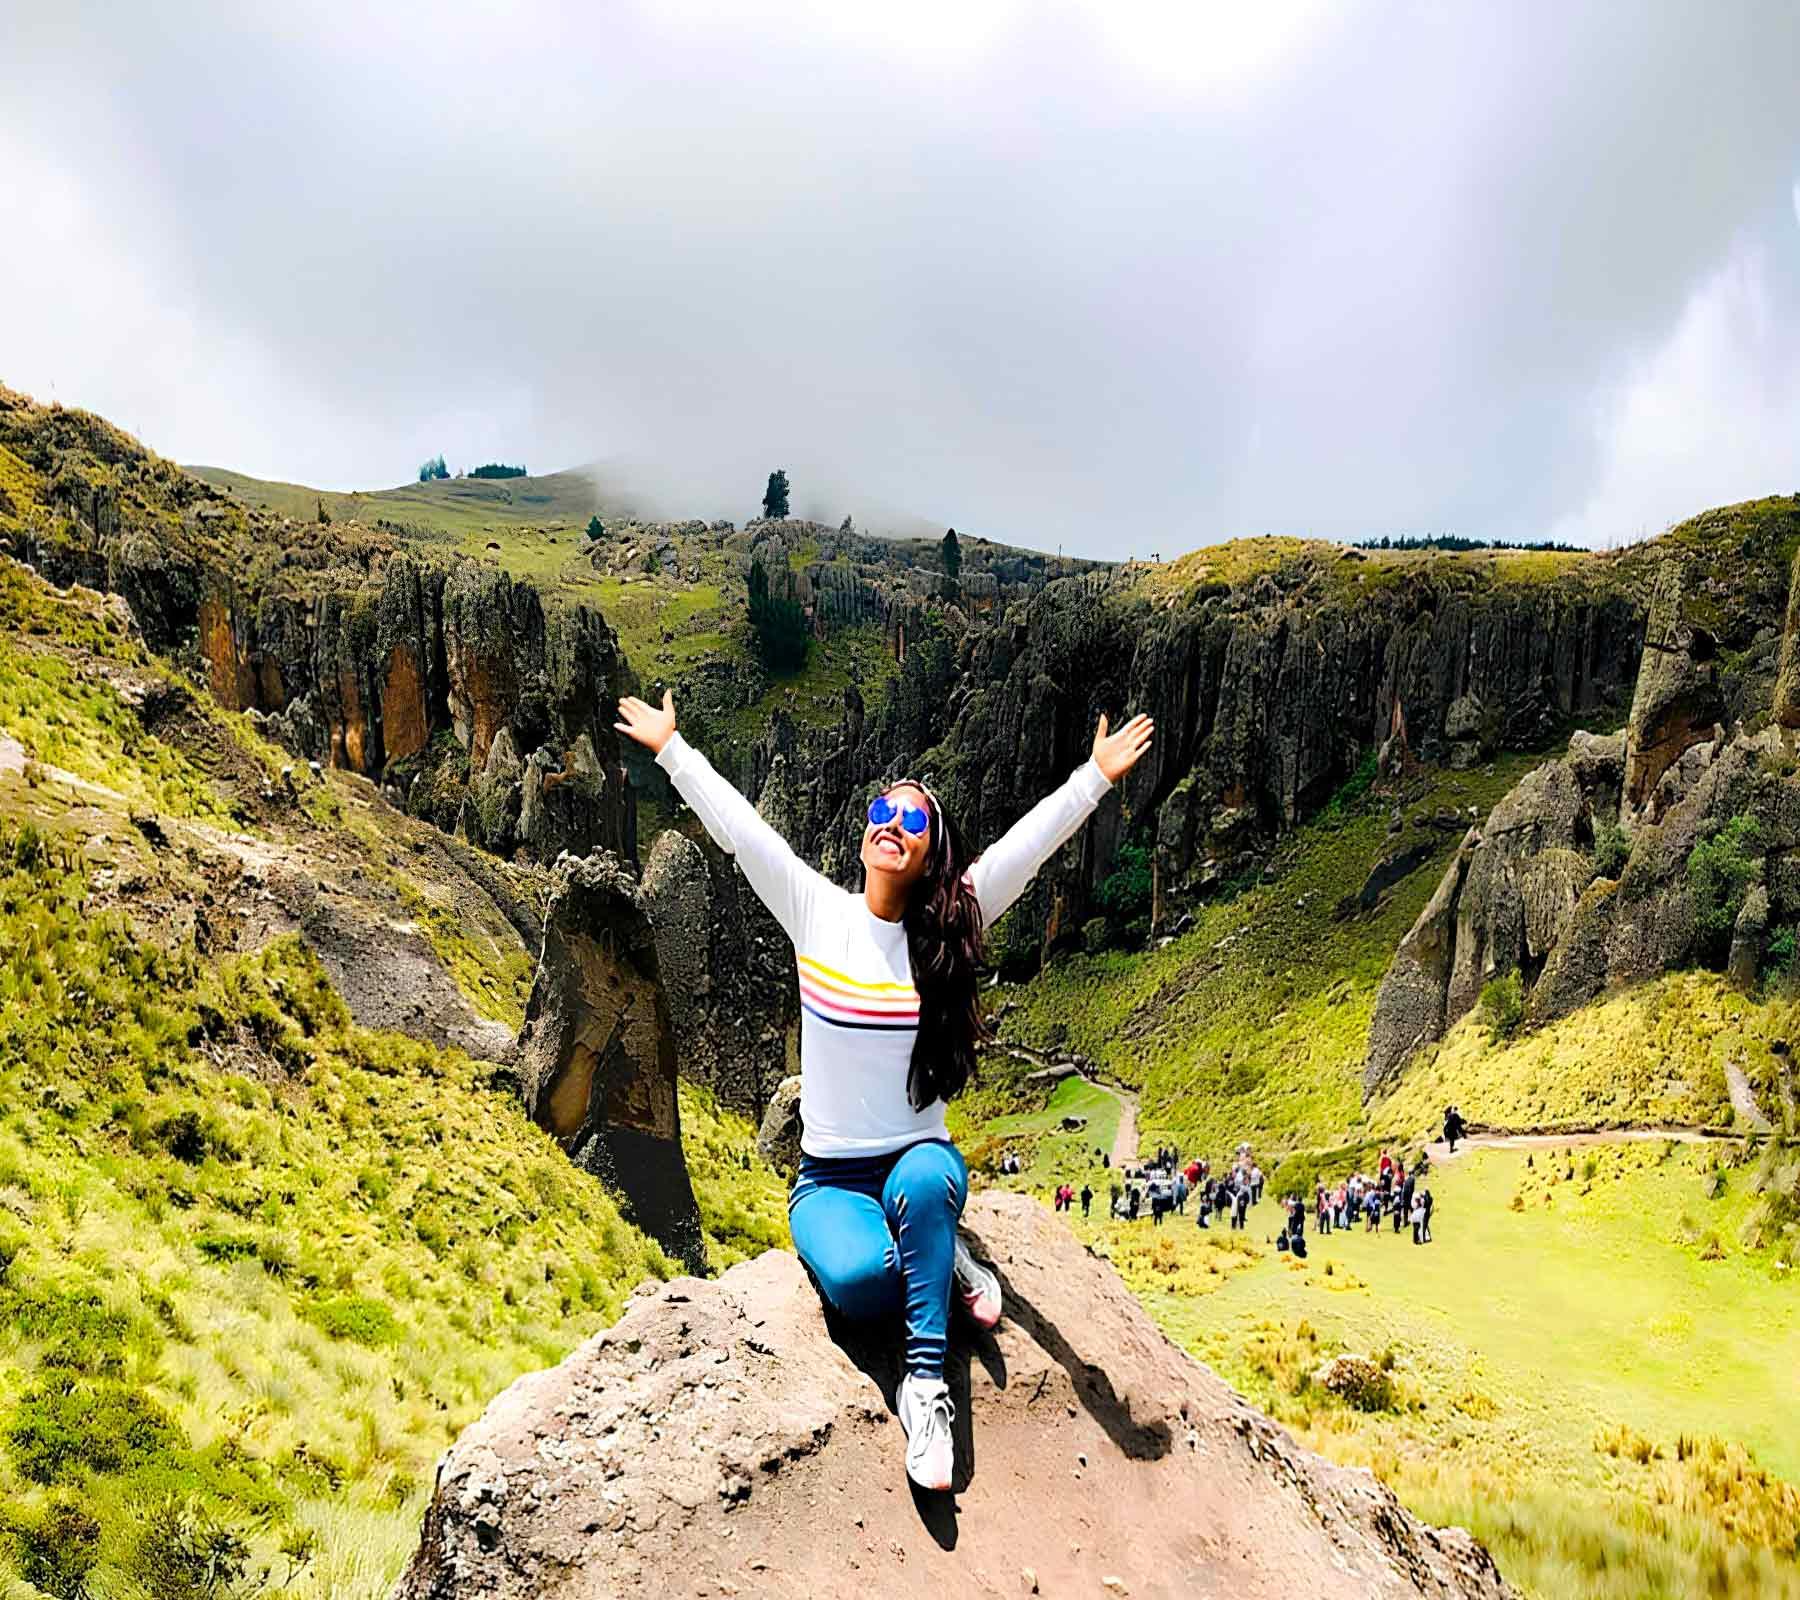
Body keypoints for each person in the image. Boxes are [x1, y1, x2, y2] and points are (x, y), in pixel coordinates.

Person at [616, 686, 1153, 1492]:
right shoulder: (816, 912)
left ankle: (926, 1389)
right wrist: (672, 749)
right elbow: (740, 834)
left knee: (930, 1182)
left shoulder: (954, 923)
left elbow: (1026, 848)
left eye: (911, 821)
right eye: (881, 812)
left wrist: (1094, 777)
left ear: (931, 850)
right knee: (864, 1287)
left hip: (915, 1161)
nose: (890, 826)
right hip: (829, 1179)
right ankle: (944, 1259)